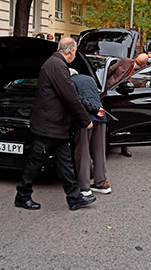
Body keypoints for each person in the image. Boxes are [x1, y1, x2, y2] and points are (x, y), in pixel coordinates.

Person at [15, 37, 96, 211]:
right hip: (49, 125)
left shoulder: (54, 64)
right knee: (36, 161)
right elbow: (69, 96)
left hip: (55, 125)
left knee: (65, 162)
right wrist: (85, 119)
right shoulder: (57, 66)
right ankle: (22, 195)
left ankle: (74, 198)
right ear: (72, 51)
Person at [70, 69, 110, 197]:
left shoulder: (70, 82)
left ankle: (84, 187)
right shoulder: (90, 79)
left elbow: (77, 100)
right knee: (99, 151)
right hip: (101, 116)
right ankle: (102, 183)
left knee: (83, 152)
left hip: (85, 119)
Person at [105, 53, 149, 157]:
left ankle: (124, 146)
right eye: (136, 61)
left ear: (144, 65)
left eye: (139, 63)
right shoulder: (125, 61)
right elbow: (110, 70)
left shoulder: (144, 72)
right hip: (111, 92)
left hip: (126, 96)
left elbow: (141, 85)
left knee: (125, 120)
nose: (136, 63)